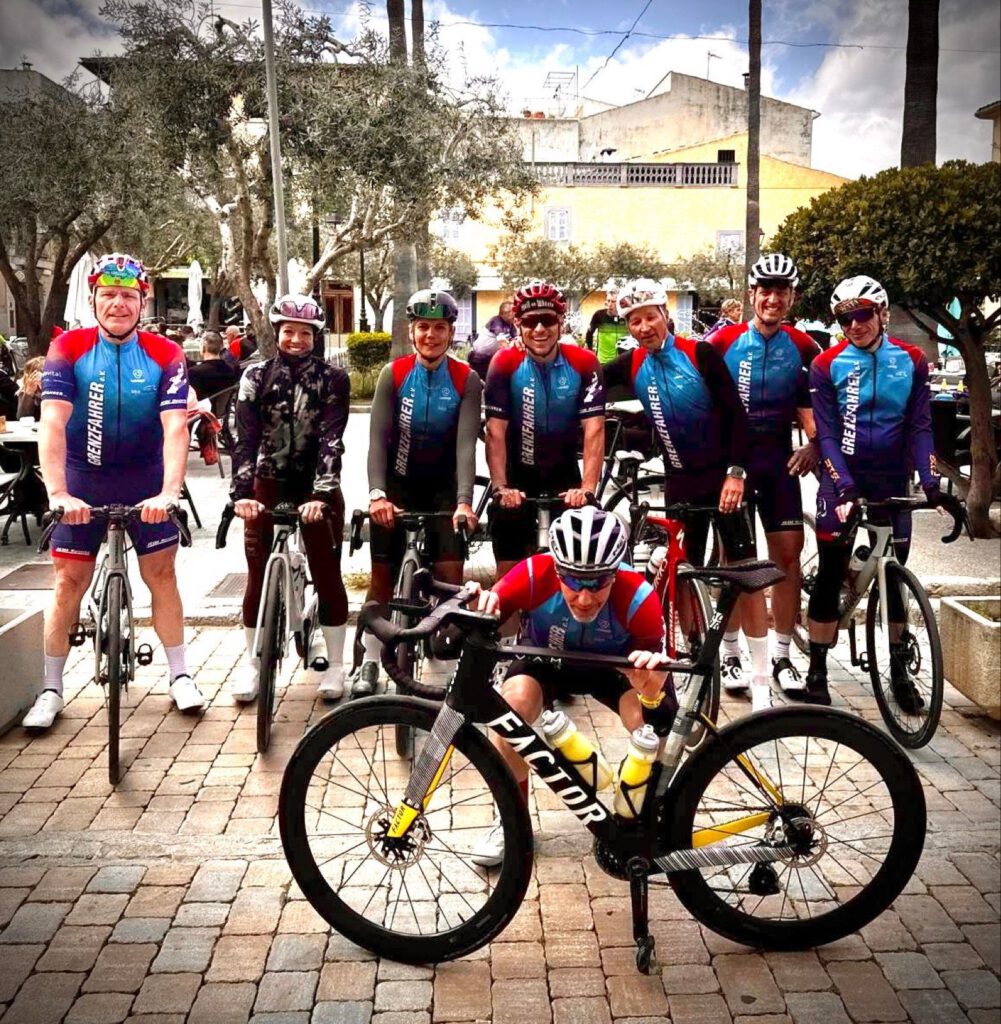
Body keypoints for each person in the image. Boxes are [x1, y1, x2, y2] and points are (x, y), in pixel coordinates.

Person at [25, 253, 203, 731]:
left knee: (161, 574)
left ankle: (180, 674)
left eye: (128, 295)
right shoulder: (68, 349)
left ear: (143, 302)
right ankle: (51, 688)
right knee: (68, 582)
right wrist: (58, 493)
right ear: (93, 300)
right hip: (83, 478)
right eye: (109, 295)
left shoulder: (166, 353)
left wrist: (169, 492)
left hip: (145, 479)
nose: (118, 304)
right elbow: (52, 423)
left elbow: (175, 427)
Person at [468, 506, 672, 866]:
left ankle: (642, 812)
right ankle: (511, 821)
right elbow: (489, 613)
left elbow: (662, 708)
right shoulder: (534, 573)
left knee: (652, 727)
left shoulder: (639, 599)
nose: (585, 598)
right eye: (574, 582)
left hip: (613, 669)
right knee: (509, 713)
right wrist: (480, 608)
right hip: (545, 660)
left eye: (599, 583)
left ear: (616, 572)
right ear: (556, 569)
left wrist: (652, 695)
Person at [802, 275, 946, 707]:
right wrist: (844, 486)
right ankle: (817, 667)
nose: (854, 326)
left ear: (882, 313)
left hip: (892, 478)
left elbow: (921, 427)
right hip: (841, 476)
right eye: (844, 319)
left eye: (862, 315)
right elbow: (827, 435)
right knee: (831, 570)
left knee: (894, 576)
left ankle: (899, 671)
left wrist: (931, 481)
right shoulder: (826, 364)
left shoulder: (912, 360)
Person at [354, 289, 483, 695]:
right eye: (423, 327)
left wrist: (464, 502)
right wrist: (377, 494)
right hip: (397, 487)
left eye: (439, 328)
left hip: (444, 491)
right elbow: (377, 440)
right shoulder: (393, 374)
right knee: (382, 577)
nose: (431, 335)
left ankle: (446, 658)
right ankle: (369, 660)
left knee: (450, 577)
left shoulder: (466, 379)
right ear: (412, 331)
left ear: (451, 332)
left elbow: (466, 446)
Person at [709, 254, 821, 710]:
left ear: (792, 297)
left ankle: (781, 654)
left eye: (782, 292)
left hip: (777, 460)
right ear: (751, 295)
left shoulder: (804, 345)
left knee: (788, 555)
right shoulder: (722, 341)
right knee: (734, 559)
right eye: (765, 291)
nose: (773, 299)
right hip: (731, 464)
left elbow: (819, 406)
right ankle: (730, 651)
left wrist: (815, 446)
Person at [230, 293, 351, 701]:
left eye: (305, 333)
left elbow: (332, 438)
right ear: (277, 332)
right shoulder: (255, 376)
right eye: (288, 332)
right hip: (267, 483)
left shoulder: (333, 378)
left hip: (316, 485)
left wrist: (322, 493)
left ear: (316, 336)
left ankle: (336, 665)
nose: (296, 340)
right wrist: (241, 494)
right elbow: (244, 439)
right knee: (256, 573)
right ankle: (252, 665)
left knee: (327, 571)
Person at [603, 279, 751, 570]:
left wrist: (735, 473)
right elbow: (585, 377)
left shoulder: (700, 354)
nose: (644, 327)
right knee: (681, 567)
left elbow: (736, 417)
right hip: (680, 481)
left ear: (665, 314)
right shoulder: (630, 363)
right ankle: (688, 604)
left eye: (650, 317)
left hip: (722, 477)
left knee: (744, 568)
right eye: (635, 321)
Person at [484, 280, 606, 581]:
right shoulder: (505, 362)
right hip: (516, 481)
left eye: (548, 320)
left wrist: (588, 488)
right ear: (518, 324)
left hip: (566, 482)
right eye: (530, 321)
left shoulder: (583, 362)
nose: (539, 329)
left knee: (577, 577)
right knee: (509, 578)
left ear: (560, 322)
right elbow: (495, 432)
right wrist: (500, 487)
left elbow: (594, 430)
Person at [187, 331, 240, 402]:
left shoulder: (194, 373)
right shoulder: (230, 369)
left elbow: (192, 401)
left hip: (203, 408)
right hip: (223, 409)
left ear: (203, 347)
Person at [585, 288, 630, 365]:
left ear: (619, 303)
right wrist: (591, 351)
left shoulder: (626, 316)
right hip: (603, 361)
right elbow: (589, 334)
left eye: (613, 301)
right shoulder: (599, 315)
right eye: (608, 301)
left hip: (622, 362)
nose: (610, 304)